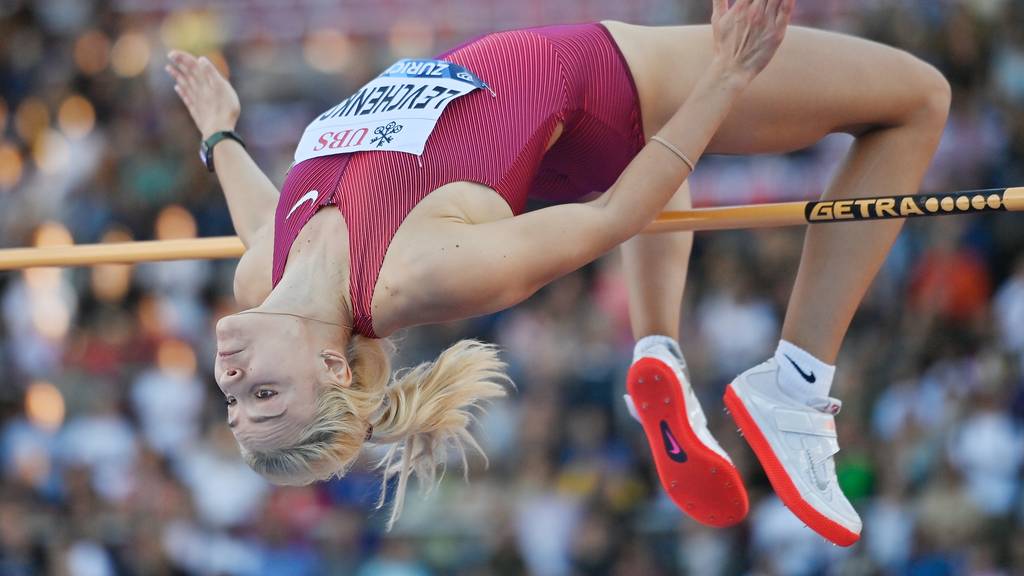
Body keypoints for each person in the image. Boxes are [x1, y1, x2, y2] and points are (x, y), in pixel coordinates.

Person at [166, 0, 950, 543]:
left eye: (232, 397)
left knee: (644, 162)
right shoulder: (417, 278)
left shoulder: (261, 273)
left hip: (549, 132)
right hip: (606, 87)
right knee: (917, 99)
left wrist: (219, 133)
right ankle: (797, 387)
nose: (231, 375)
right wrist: (727, 76)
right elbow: (612, 221)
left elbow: (257, 202)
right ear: (332, 366)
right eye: (264, 393)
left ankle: (658, 352)